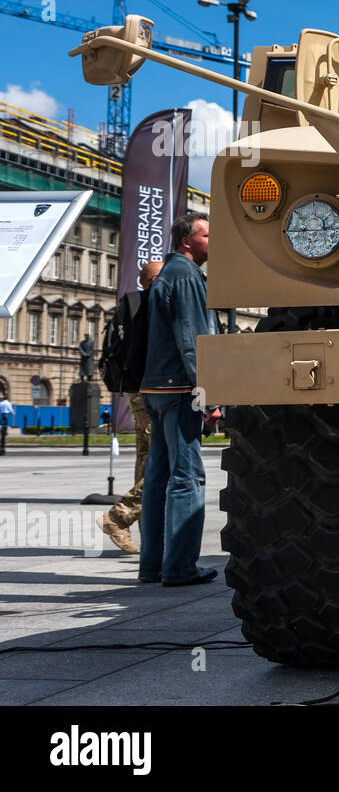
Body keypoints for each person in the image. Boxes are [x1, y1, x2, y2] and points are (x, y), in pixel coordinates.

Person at [138, 214, 220, 585]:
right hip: (178, 389)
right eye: (207, 234)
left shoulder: (166, 274)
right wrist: (209, 392)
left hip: (155, 388)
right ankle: (180, 567)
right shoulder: (186, 275)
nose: (212, 241)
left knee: (157, 479)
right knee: (188, 478)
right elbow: (192, 340)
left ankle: (151, 565)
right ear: (187, 241)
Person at [98, 260, 164, 554]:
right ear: (154, 279)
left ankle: (146, 531)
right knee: (164, 459)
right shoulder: (148, 304)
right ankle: (118, 516)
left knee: (147, 456)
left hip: (136, 389)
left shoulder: (132, 304)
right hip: (149, 389)